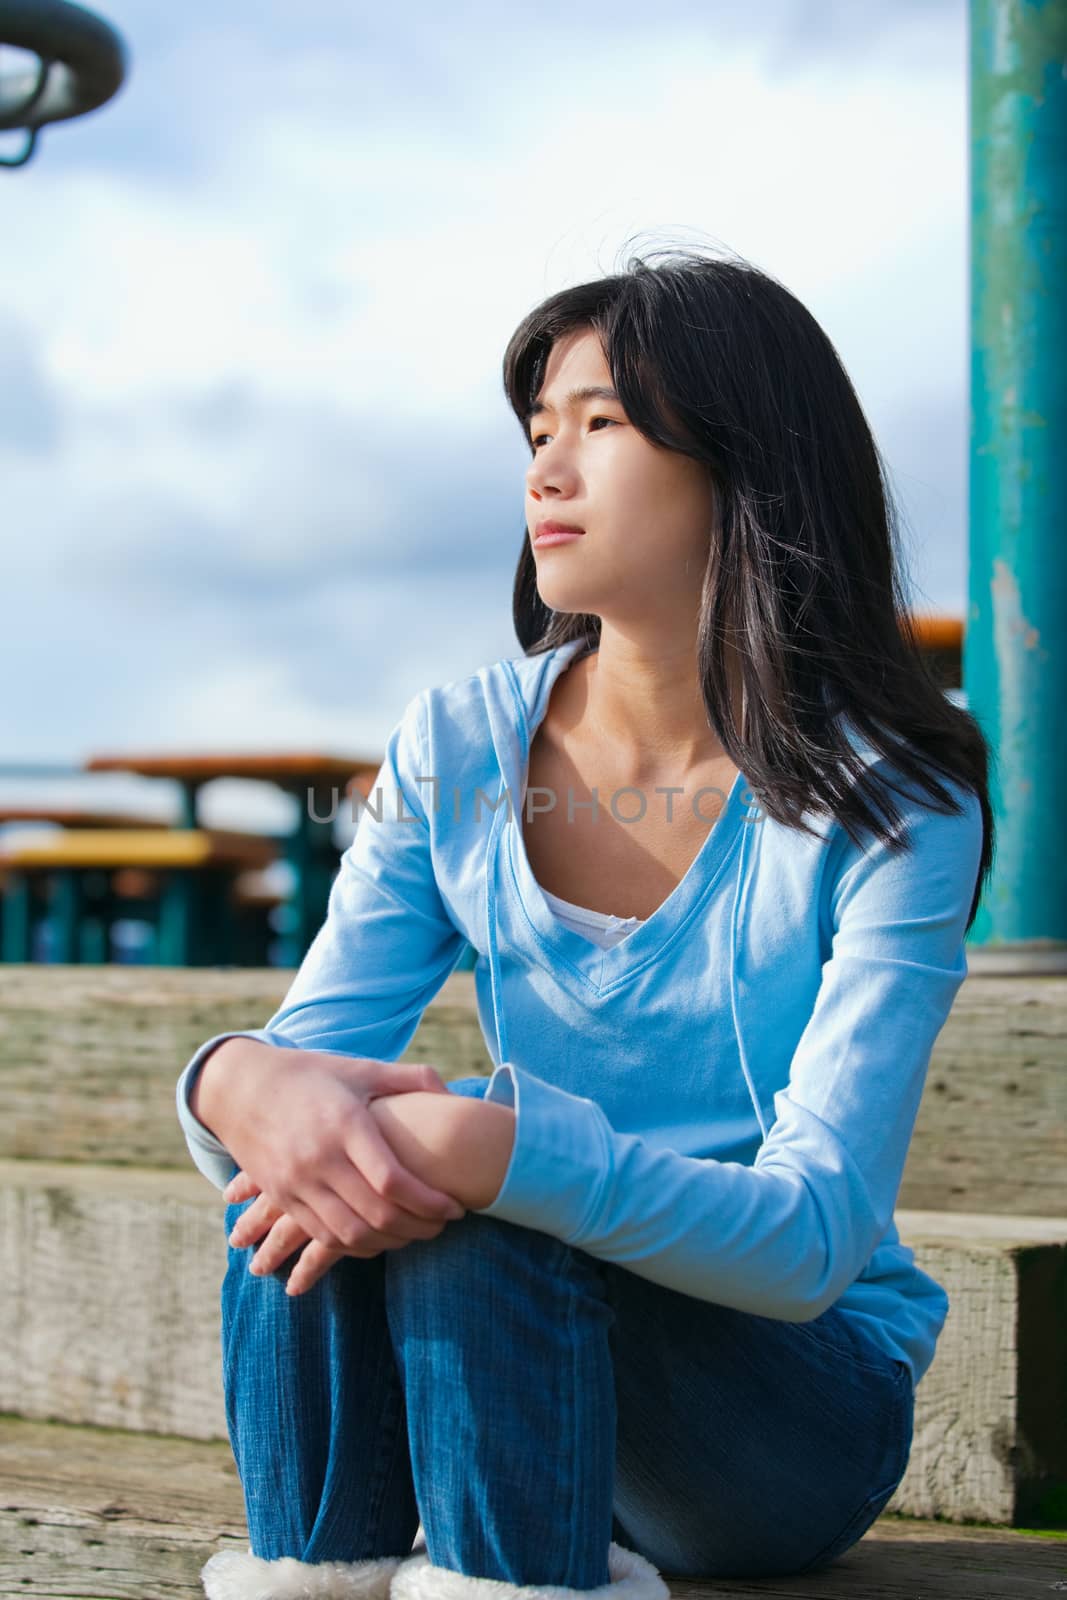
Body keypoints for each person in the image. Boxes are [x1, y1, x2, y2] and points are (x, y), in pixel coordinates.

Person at [176, 242, 994, 1600]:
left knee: (475, 1194)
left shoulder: (890, 801)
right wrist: (236, 1078)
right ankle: (323, 1570)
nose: (545, 473)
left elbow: (809, 1245)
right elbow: (303, 1067)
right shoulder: (454, 747)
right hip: (514, 1358)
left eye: (601, 425)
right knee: (321, 1153)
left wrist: (506, 1150)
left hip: (785, 1411)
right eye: (538, 431)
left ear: (745, 460)